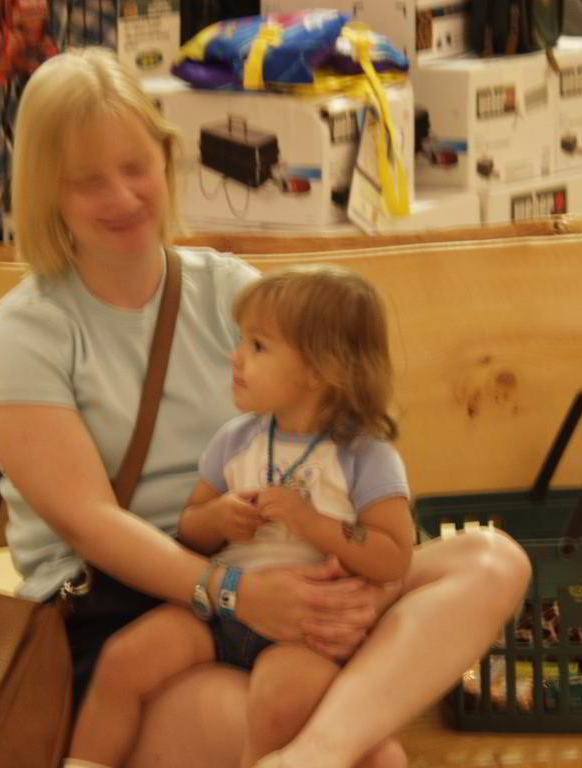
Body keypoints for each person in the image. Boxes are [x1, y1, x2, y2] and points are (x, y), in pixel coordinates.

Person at [0, 45, 531, 768]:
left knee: (491, 561)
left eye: (136, 167)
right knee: (377, 760)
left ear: (166, 158)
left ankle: (318, 751)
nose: (123, 197)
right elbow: (93, 526)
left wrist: (351, 593)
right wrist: (234, 593)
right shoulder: (24, 334)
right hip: (128, 621)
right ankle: (326, 748)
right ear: (46, 193)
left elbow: (339, 440)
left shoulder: (235, 293)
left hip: (282, 574)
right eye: (88, 181)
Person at [67, 266, 416, 768]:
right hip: (221, 612)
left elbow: (394, 556)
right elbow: (190, 528)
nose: (235, 357)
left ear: (319, 370)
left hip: (306, 634)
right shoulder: (236, 440)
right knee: (124, 659)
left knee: (281, 702)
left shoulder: (364, 456)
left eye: (258, 346)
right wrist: (218, 519)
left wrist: (314, 525)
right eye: (241, 341)